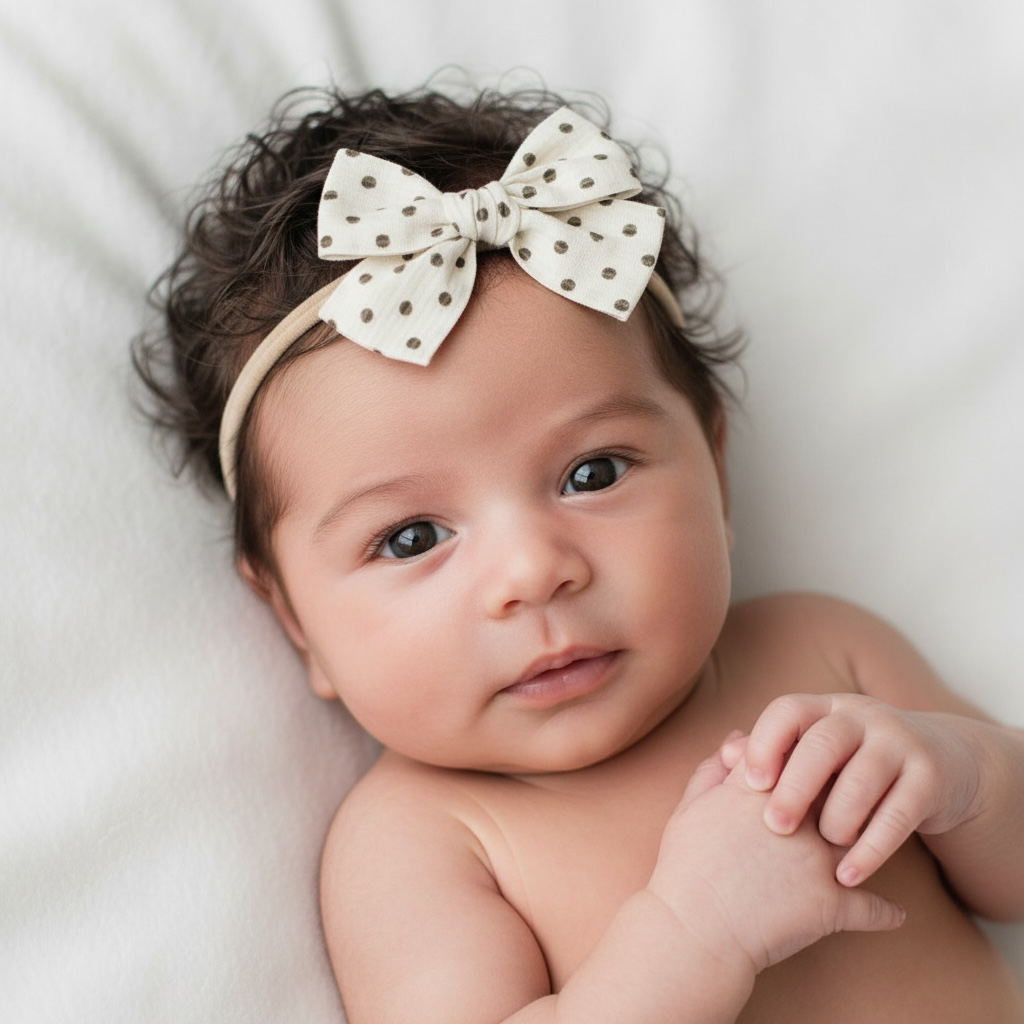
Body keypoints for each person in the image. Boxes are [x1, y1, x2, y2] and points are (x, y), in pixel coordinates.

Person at [134, 82, 1024, 1023]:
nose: (532, 573)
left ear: (714, 474)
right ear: (293, 620)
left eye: (594, 473)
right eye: (411, 538)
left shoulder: (830, 655)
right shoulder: (425, 841)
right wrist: (693, 934)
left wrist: (959, 778)